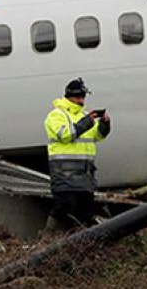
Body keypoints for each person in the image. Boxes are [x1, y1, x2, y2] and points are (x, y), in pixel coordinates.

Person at [44, 77, 111, 231]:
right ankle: (49, 237)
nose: (82, 101)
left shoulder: (85, 116)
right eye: (79, 97)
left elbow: (97, 136)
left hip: (85, 175)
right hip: (64, 173)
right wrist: (87, 121)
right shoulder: (57, 115)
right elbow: (66, 135)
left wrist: (104, 124)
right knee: (65, 205)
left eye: (83, 97)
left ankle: (79, 242)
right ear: (70, 97)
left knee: (85, 212)